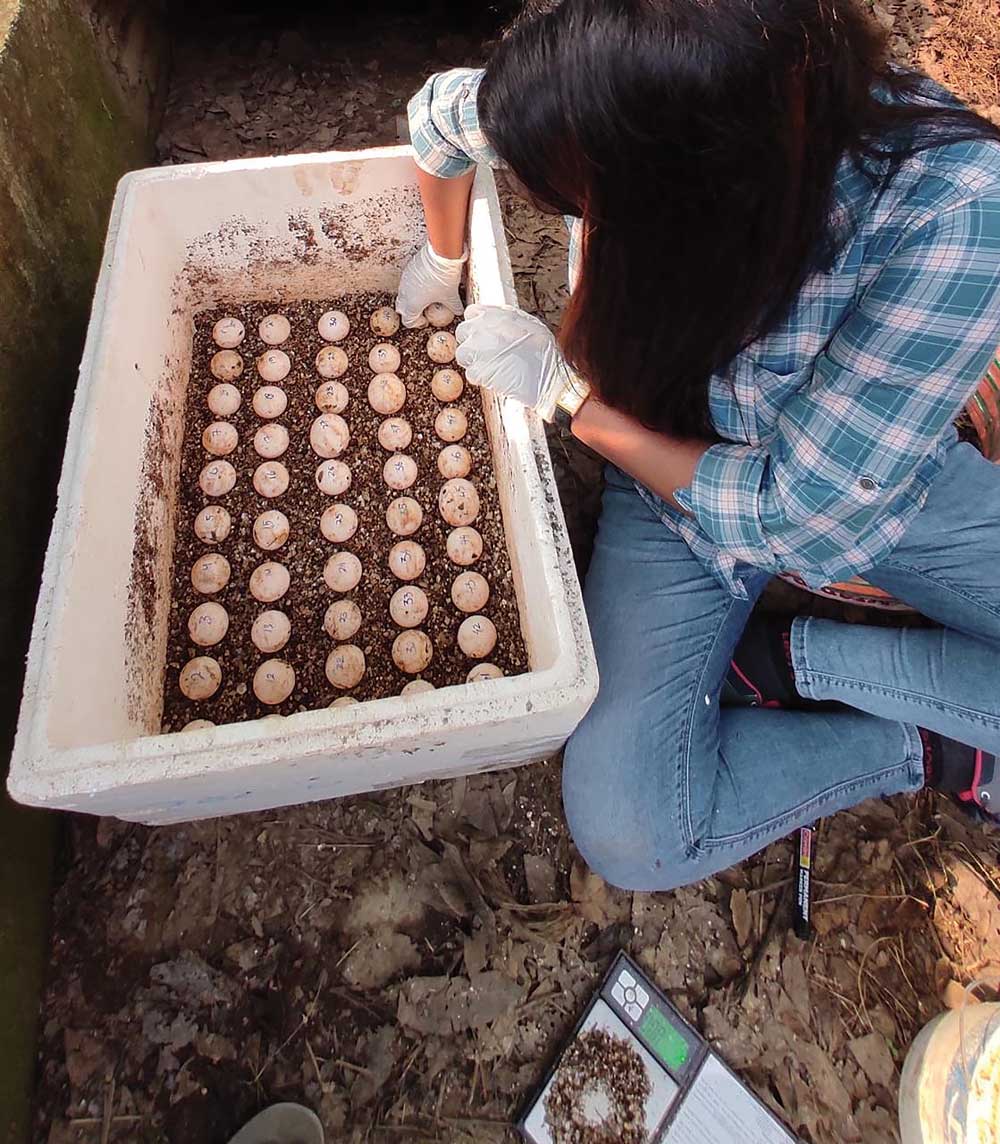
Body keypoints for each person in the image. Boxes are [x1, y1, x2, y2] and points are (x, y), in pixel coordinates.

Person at [395, 0, 1000, 892]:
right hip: (671, 480)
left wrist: (573, 403)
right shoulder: (621, 85)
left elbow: (796, 518)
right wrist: (440, 262)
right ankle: (921, 741)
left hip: (866, 488)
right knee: (638, 829)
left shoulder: (951, 210)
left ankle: (797, 663)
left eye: (603, 209)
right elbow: (438, 119)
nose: (590, 226)